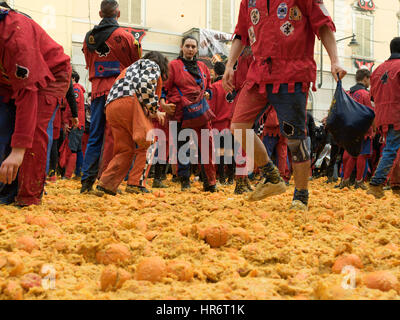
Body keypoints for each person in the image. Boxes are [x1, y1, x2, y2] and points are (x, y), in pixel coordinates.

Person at [223, 0, 346, 210]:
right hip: (259, 72)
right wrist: (229, 64)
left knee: (294, 139)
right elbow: (241, 34)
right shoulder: (248, 2)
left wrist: (335, 60)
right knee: (238, 126)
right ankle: (272, 177)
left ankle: (301, 197)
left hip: (293, 74)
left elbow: (323, 24)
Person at [0, 2, 71, 206]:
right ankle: (6, 189)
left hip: (49, 77)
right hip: (7, 81)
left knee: (34, 132)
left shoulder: (15, 36)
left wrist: (18, 150)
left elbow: (28, 93)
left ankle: (28, 197)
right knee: (5, 125)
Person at [81, 0, 141, 193]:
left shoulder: (88, 38)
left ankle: (86, 182)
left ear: (100, 14)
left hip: (97, 89)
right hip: (120, 91)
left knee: (95, 136)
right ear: (119, 14)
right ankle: (107, 181)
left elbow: (88, 62)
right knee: (116, 136)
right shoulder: (126, 36)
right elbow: (135, 65)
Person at [94, 51, 167, 196]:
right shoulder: (151, 65)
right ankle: (136, 183)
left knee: (124, 149)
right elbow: (145, 87)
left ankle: (107, 184)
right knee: (149, 142)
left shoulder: (129, 69)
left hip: (111, 107)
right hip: (129, 103)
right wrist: (155, 109)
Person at [163, 35, 217, 193]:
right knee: (183, 147)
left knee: (206, 146)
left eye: (193, 47)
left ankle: (210, 181)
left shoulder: (202, 66)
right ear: (181, 47)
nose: (190, 49)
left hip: (200, 111)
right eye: (187, 46)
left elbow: (210, 87)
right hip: (180, 111)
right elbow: (165, 87)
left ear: (197, 49)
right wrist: (163, 103)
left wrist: (207, 93)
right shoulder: (173, 65)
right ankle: (184, 180)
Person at [367, 37, 400, 198]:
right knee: (391, 149)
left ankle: (397, 185)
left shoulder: (378, 69)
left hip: (383, 115)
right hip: (397, 113)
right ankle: (376, 183)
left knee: (393, 148)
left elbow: (372, 97)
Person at [338, 68, 374, 190]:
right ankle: (359, 181)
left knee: (351, 155)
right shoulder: (365, 94)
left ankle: (345, 180)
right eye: (369, 79)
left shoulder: (348, 93)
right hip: (363, 130)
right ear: (365, 78)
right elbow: (370, 113)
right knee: (362, 155)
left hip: (350, 130)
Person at [209, 62, 236, 188]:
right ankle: (231, 177)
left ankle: (222, 178)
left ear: (214, 72)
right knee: (230, 151)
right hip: (231, 125)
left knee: (220, 153)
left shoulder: (214, 87)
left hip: (217, 125)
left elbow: (211, 108)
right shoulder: (232, 87)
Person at [60, 71, 86, 179]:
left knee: (72, 149)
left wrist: (66, 122)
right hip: (79, 123)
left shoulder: (75, 90)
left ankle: (67, 175)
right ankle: (78, 173)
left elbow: (72, 106)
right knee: (78, 149)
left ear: (73, 79)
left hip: (75, 123)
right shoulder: (79, 89)